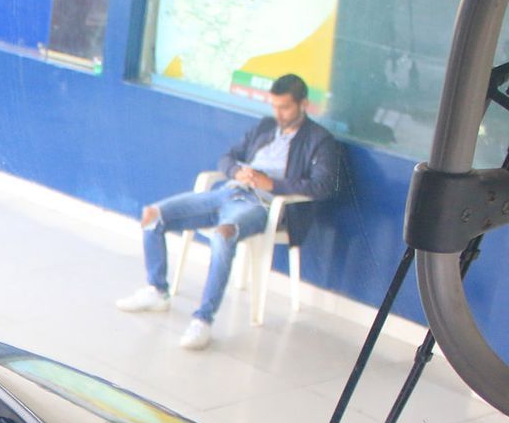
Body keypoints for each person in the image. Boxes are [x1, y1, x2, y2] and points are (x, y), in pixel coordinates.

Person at [116, 73, 342, 350]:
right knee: (152, 215)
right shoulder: (265, 127)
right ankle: (157, 290)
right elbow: (226, 157)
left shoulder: (319, 140)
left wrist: (270, 183)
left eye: (285, 107)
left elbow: (323, 186)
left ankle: (203, 319)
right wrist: (237, 171)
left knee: (223, 235)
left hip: (262, 205)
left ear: (303, 104)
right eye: (274, 106)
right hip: (228, 192)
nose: (279, 114)